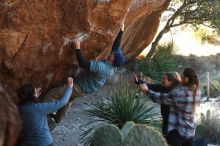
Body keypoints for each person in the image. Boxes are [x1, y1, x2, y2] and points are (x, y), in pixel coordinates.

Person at [46, 23, 126, 123]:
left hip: (79, 88)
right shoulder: (114, 66)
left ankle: (40, 114)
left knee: (53, 94)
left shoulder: (102, 67)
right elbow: (116, 46)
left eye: (115, 54)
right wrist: (121, 31)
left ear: (113, 59)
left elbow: (83, 64)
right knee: (68, 98)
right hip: (87, 89)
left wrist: (77, 48)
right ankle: (58, 118)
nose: (114, 52)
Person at [137, 68, 201, 146]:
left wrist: (146, 91)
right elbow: (185, 89)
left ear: (186, 78)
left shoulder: (180, 94)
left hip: (178, 132)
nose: (180, 76)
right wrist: (180, 81)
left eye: (182, 75)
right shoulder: (197, 90)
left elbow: (161, 98)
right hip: (190, 131)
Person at [17, 77, 73, 146]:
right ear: (32, 95)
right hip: (44, 143)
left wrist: (34, 96)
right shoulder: (39, 108)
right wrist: (69, 87)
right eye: (35, 91)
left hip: (29, 143)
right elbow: (62, 102)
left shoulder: (19, 109)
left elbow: (31, 109)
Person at [133, 72, 181, 137]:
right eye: (162, 78)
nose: (162, 80)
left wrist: (146, 91)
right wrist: (138, 81)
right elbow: (151, 86)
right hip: (165, 118)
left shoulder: (174, 92)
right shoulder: (163, 87)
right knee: (165, 137)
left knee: (168, 138)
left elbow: (156, 97)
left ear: (170, 82)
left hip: (172, 121)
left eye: (164, 79)